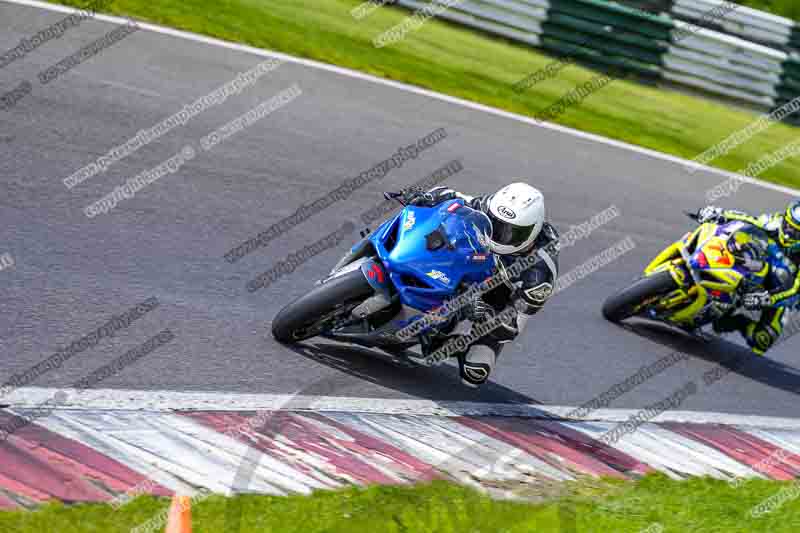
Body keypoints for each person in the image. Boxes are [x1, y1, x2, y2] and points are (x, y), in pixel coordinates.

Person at [399, 182, 560, 387]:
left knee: (475, 374)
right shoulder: (488, 208)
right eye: (496, 224)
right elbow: (454, 196)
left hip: (498, 293)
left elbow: (512, 326)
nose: (501, 235)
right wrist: (425, 196)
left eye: (512, 232)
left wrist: (484, 313)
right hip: (471, 258)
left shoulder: (539, 275)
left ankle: (444, 341)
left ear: (532, 231)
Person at [696, 201, 800, 354]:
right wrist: (719, 213)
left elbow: (794, 290)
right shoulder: (773, 222)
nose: (788, 232)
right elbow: (747, 219)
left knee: (762, 340)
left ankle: (738, 321)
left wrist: (766, 299)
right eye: (788, 225)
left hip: (779, 294)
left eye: (796, 232)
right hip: (755, 268)